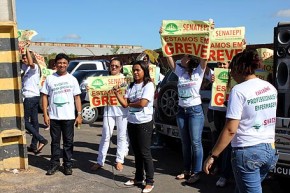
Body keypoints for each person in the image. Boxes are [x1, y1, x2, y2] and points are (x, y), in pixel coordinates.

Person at [203, 49, 278, 193]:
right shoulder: (270, 88)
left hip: (248, 152)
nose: (230, 74)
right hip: (269, 150)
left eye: (231, 69)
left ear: (239, 68)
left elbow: (231, 129)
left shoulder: (238, 91)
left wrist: (213, 155)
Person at [113, 60, 155, 193]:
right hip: (132, 122)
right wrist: (116, 93)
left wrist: (130, 103)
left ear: (144, 71)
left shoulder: (148, 85)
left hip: (144, 122)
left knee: (145, 153)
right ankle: (138, 178)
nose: (136, 72)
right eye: (134, 70)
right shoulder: (131, 86)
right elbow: (125, 103)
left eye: (138, 70)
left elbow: (142, 103)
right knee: (136, 153)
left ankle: (149, 181)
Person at [41, 53, 82, 176]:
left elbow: (77, 98)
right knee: (55, 142)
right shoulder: (50, 78)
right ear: (56, 64)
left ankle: (67, 165)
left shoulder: (72, 79)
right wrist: (45, 114)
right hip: (54, 116)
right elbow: (44, 96)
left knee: (68, 142)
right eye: (60, 63)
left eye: (64, 63)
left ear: (68, 64)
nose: (62, 65)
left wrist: (79, 114)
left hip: (69, 117)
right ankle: (54, 164)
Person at [90, 58, 129, 171]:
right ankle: (100, 161)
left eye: (116, 66)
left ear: (120, 67)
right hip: (109, 111)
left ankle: (119, 160)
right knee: (106, 135)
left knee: (122, 136)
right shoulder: (105, 79)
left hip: (122, 112)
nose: (114, 67)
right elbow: (96, 93)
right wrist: (91, 89)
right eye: (112, 65)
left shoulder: (125, 80)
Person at [208, 61, 232, 187]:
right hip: (214, 112)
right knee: (215, 141)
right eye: (220, 64)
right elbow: (204, 67)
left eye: (225, 64)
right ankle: (216, 166)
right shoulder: (213, 74)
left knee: (227, 145)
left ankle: (225, 174)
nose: (222, 66)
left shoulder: (234, 75)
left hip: (228, 113)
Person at [22, 42, 48, 155]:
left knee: (24, 122)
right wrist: (21, 49)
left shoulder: (34, 68)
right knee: (35, 122)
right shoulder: (25, 68)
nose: (24, 60)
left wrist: (27, 49)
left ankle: (41, 139)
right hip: (31, 97)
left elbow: (31, 62)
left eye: (25, 58)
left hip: (30, 97)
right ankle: (34, 145)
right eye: (23, 58)